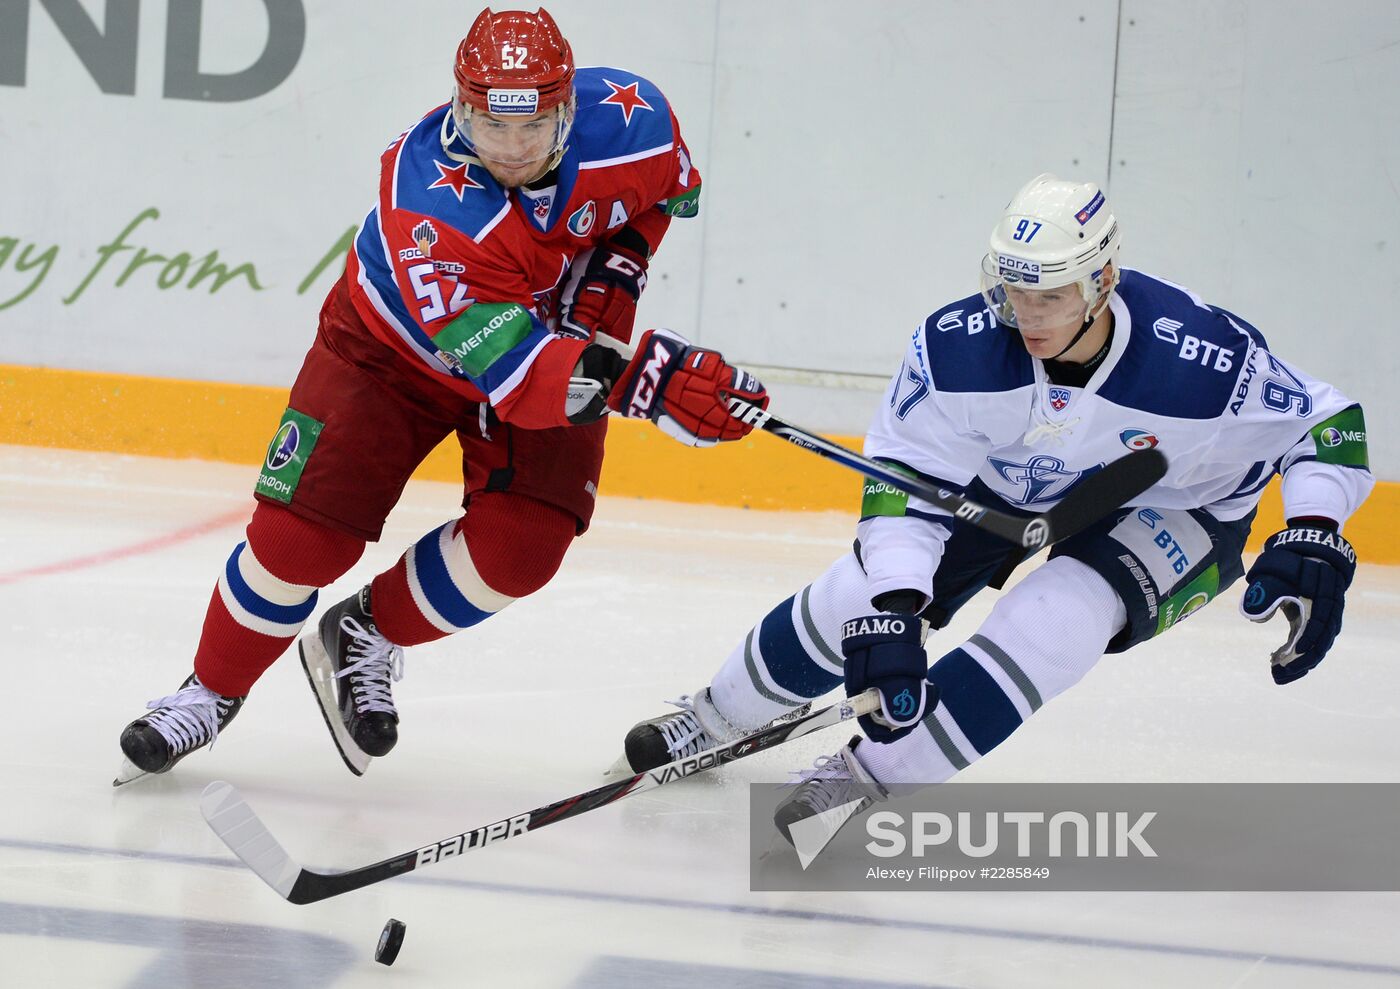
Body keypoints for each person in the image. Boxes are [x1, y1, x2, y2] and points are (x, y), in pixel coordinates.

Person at [617, 174, 1373, 849]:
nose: (1028, 315)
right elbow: (904, 485)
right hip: (1020, 482)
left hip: (1183, 503)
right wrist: (895, 606)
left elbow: (1327, 423)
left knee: (1058, 618)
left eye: (1051, 294)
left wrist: (1312, 523)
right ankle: (714, 719)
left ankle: (868, 777)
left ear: (1103, 280)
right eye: (1014, 290)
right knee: (855, 595)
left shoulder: (1202, 360)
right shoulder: (958, 351)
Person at [116, 7, 766, 783]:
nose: (514, 150)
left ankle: (364, 632)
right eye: (492, 128)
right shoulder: (428, 203)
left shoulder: (638, 121)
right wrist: (645, 379)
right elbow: (520, 382)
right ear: (461, 108)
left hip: (548, 345)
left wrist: (611, 284)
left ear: (568, 109)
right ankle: (209, 691)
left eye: (534, 128)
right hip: (391, 354)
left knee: (522, 548)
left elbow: (658, 201)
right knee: (300, 541)